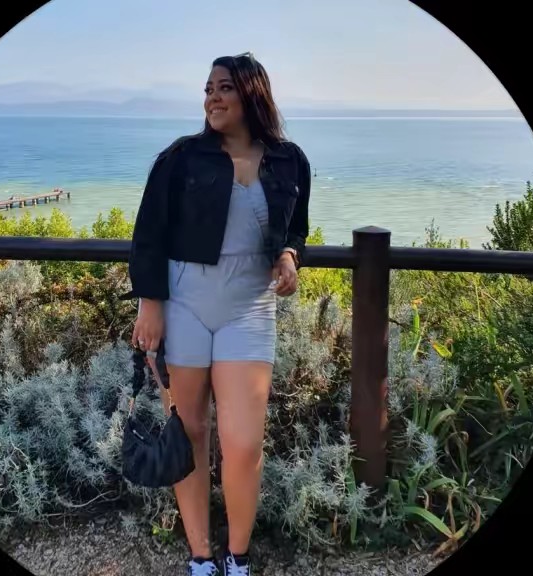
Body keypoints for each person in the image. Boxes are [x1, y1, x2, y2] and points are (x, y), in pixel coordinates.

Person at [126, 52, 311, 576]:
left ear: (252, 93)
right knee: (188, 434)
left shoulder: (289, 160)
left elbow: (297, 227)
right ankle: (201, 557)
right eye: (208, 88)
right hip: (184, 304)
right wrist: (150, 304)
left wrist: (289, 255)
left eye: (224, 87)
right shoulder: (181, 158)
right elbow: (148, 234)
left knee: (244, 444)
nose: (212, 97)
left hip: (249, 309)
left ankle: (239, 557)